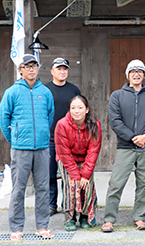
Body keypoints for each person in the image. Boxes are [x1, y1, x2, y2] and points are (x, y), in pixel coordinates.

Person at [0, 54, 55, 241]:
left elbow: (50, 115)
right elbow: (2, 117)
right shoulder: (12, 92)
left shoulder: (45, 92)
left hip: (42, 148)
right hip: (20, 148)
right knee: (18, 189)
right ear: (20, 70)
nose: (31, 69)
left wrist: (43, 134)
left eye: (34, 66)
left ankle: (42, 226)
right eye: (27, 66)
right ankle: (16, 228)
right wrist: (14, 139)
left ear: (38, 68)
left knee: (43, 188)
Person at [101, 60, 145, 233]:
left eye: (140, 71)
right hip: (125, 147)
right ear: (127, 74)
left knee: (144, 184)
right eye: (133, 71)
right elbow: (115, 121)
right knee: (116, 184)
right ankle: (109, 219)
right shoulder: (117, 95)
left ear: (144, 75)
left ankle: (140, 217)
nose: (136, 74)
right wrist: (133, 137)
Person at [55, 95, 102, 231]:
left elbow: (93, 151)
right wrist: (75, 175)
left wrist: (85, 175)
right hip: (66, 159)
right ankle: (69, 218)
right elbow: (63, 152)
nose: (76, 111)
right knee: (70, 185)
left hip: (85, 159)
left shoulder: (94, 124)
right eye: (73, 108)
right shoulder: (62, 124)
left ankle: (84, 216)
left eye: (80, 107)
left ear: (86, 109)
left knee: (86, 186)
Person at [45, 57, 81, 216]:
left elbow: (80, 113)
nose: (62, 72)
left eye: (64, 69)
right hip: (50, 139)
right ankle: (51, 204)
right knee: (50, 173)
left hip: (69, 140)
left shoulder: (74, 90)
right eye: (58, 69)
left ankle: (67, 204)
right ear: (52, 71)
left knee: (68, 175)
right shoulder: (45, 90)